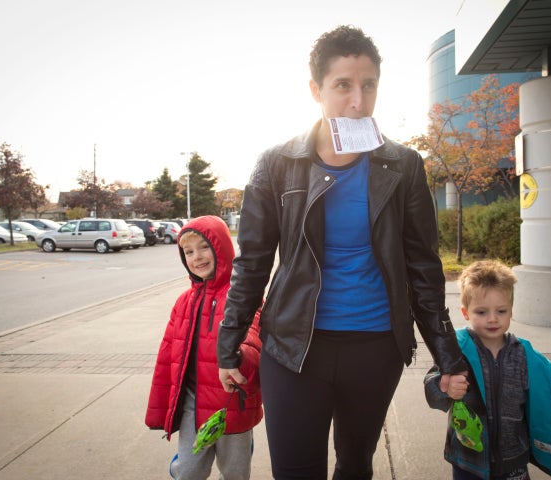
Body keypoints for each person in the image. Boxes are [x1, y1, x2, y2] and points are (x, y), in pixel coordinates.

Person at [217, 25, 467, 479]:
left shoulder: (403, 165)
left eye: (368, 85)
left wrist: (446, 355)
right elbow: (252, 261)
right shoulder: (277, 163)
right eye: (343, 85)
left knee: (355, 467)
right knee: (295, 471)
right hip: (293, 348)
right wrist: (228, 344)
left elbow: (424, 268)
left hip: (375, 347)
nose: (358, 100)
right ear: (316, 89)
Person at [425, 260, 551, 480]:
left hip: (514, 460)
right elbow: (431, 389)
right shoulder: (458, 350)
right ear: (466, 312)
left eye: (501, 310)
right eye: (481, 311)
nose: (492, 318)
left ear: (511, 311)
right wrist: (445, 388)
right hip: (469, 461)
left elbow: (545, 396)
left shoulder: (523, 354)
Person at [145, 215, 263, 480]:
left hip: (233, 406)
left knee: (235, 473)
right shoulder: (183, 302)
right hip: (192, 406)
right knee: (188, 471)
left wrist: (238, 357)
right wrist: (159, 408)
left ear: (221, 247)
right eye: (188, 251)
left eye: (204, 247)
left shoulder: (242, 296)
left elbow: (253, 340)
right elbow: (167, 359)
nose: (196, 257)